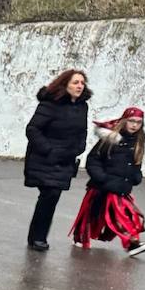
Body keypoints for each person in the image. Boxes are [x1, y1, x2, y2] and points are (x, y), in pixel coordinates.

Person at [70, 106, 145, 256]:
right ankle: (81, 236)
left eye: (138, 122)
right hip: (103, 186)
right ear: (124, 121)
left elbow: (136, 164)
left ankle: (132, 244)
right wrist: (102, 178)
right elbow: (93, 160)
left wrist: (136, 176)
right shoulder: (110, 138)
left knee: (126, 216)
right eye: (131, 121)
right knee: (92, 214)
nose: (134, 125)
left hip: (121, 187)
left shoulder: (138, 142)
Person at [24, 69, 92, 251]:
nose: (79, 86)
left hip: (66, 160)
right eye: (75, 82)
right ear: (65, 84)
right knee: (50, 194)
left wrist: (79, 148)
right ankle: (38, 237)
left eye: (82, 83)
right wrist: (49, 150)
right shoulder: (50, 104)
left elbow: (82, 131)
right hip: (45, 158)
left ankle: (36, 237)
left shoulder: (82, 106)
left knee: (51, 197)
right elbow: (32, 129)